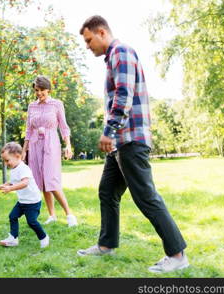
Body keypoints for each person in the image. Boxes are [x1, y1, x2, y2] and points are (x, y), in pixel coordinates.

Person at [77, 15, 189, 273]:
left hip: (130, 139)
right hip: (120, 142)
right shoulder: (112, 58)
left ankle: (177, 254)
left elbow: (123, 94)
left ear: (102, 32)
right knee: (107, 191)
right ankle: (106, 246)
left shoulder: (122, 52)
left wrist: (109, 130)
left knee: (146, 196)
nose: (87, 46)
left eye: (89, 40)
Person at [22, 75, 78, 227]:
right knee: (42, 181)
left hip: (51, 143)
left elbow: (64, 127)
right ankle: (52, 215)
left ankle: (69, 214)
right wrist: (24, 151)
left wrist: (68, 145)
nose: (39, 93)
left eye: (41, 90)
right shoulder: (32, 106)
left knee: (51, 180)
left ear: (48, 89)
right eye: (36, 90)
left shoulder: (56, 104)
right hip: (35, 145)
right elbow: (28, 130)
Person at [0, 142, 49, 248]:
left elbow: (24, 183)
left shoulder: (23, 168)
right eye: (4, 161)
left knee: (31, 222)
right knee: (12, 216)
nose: (5, 163)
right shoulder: (14, 169)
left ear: (17, 156)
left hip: (32, 201)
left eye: (7, 160)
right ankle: (13, 238)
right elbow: (12, 182)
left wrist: (11, 189)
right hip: (22, 201)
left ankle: (44, 237)